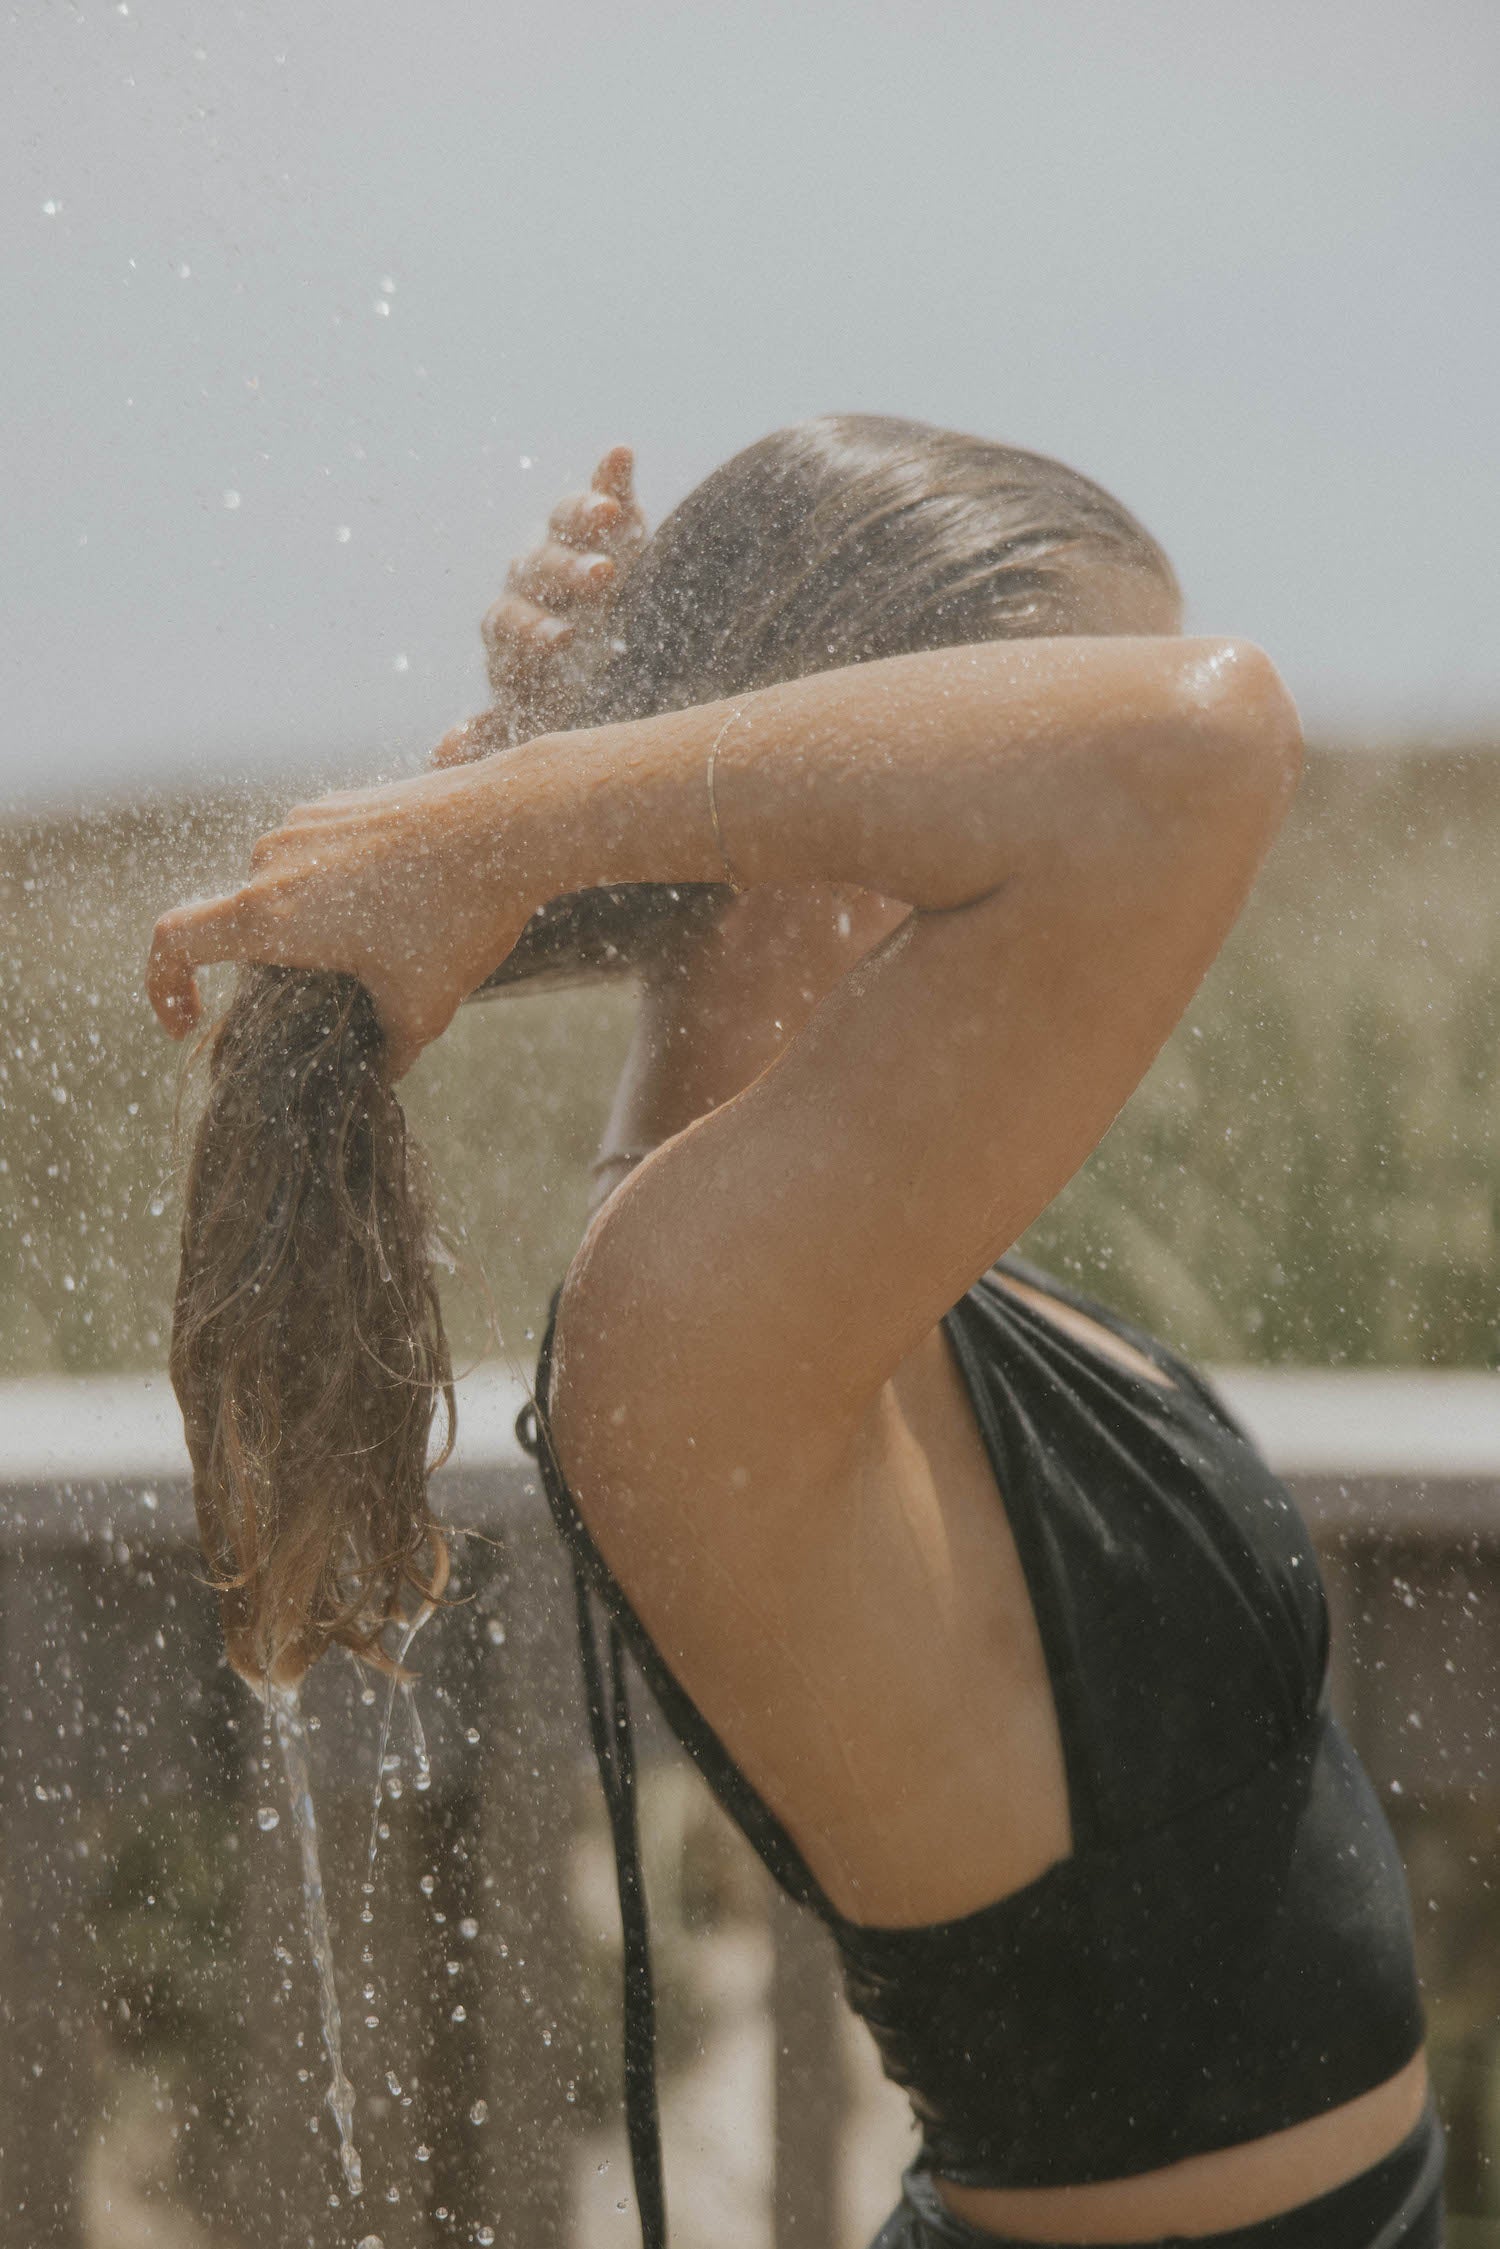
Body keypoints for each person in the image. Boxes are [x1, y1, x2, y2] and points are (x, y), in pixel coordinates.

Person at [148, 417, 1442, 2247]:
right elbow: (1196, 744)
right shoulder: (687, 1318)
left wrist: (554, 794)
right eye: (1034, 712)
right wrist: (525, 811)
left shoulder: (815, 1233)